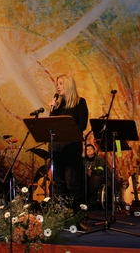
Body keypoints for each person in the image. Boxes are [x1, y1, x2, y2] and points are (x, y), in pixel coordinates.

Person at [49, 74, 88, 209]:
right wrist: (52, 110)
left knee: (72, 183)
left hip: (71, 148)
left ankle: (75, 214)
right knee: (59, 183)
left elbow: (82, 125)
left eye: (60, 83)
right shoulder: (59, 106)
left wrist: (66, 128)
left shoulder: (79, 102)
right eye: (57, 84)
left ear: (68, 85)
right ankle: (62, 214)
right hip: (57, 149)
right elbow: (51, 125)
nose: (58, 87)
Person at [84, 144, 105, 208]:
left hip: (96, 176)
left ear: (94, 150)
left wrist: (92, 171)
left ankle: (92, 201)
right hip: (86, 176)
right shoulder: (83, 160)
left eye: (90, 149)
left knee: (95, 180)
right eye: (87, 150)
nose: (89, 151)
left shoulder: (99, 159)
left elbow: (100, 170)